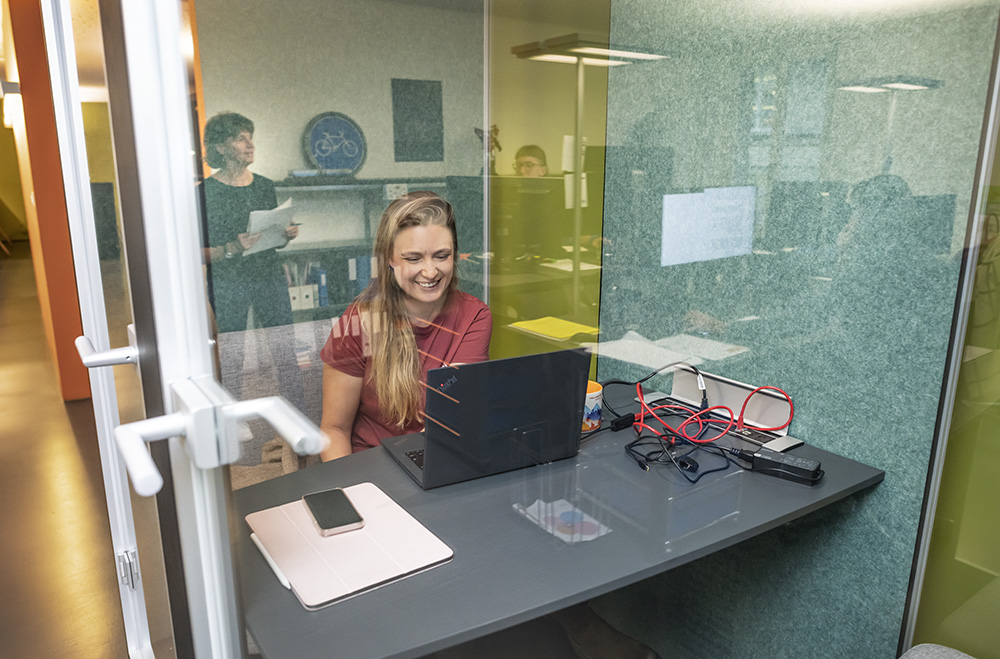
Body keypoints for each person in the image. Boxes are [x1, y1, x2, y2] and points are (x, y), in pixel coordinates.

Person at [319, 191, 492, 461]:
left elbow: (457, 418)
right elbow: (334, 429)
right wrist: (351, 494)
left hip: (441, 461)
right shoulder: (359, 323)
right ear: (390, 258)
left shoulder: (474, 316)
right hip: (373, 470)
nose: (430, 271)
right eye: (413, 258)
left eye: (441, 256)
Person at [200, 112, 304, 412]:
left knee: (283, 343)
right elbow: (195, 251)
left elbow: (272, 235)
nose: (250, 145)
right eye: (240, 139)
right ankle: (230, 416)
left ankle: (296, 411)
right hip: (228, 280)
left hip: (267, 273)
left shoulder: (264, 186)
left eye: (250, 138)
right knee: (232, 352)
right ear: (220, 147)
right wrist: (231, 248)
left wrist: (285, 234)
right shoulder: (205, 193)